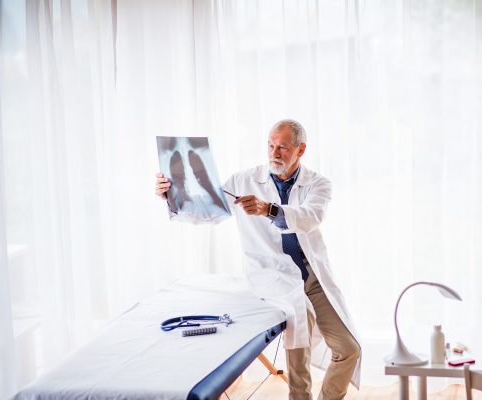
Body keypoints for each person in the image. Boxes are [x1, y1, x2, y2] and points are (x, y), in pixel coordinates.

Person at [154, 120, 361, 400]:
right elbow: (208, 212)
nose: (274, 152)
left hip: (312, 276)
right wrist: (171, 197)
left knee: (349, 349)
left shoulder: (318, 184)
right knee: (301, 326)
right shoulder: (243, 181)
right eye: (271, 145)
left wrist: (269, 209)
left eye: (283, 147)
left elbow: (311, 217)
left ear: (300, 150)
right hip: (272, 273)